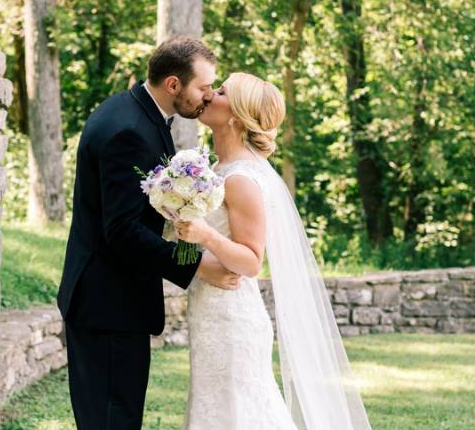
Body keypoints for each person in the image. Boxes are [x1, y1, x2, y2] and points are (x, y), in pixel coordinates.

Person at [57, 36, 241, 429]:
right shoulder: (130, 130)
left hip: (109, 302)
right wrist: (196, 266)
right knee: (112, 421)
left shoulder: (135, 112)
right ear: (174, 84)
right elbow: (122, 231)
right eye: (203, 87)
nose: (208, 96)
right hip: (108, 304)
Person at [175, 72, 372, 430]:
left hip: (232, 318)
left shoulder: (241, 179)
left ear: (236, 115)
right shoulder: (216, 171)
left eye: (220, 92)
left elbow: (251, 261)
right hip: (210, 311)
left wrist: (204, 234)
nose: (209, 95)